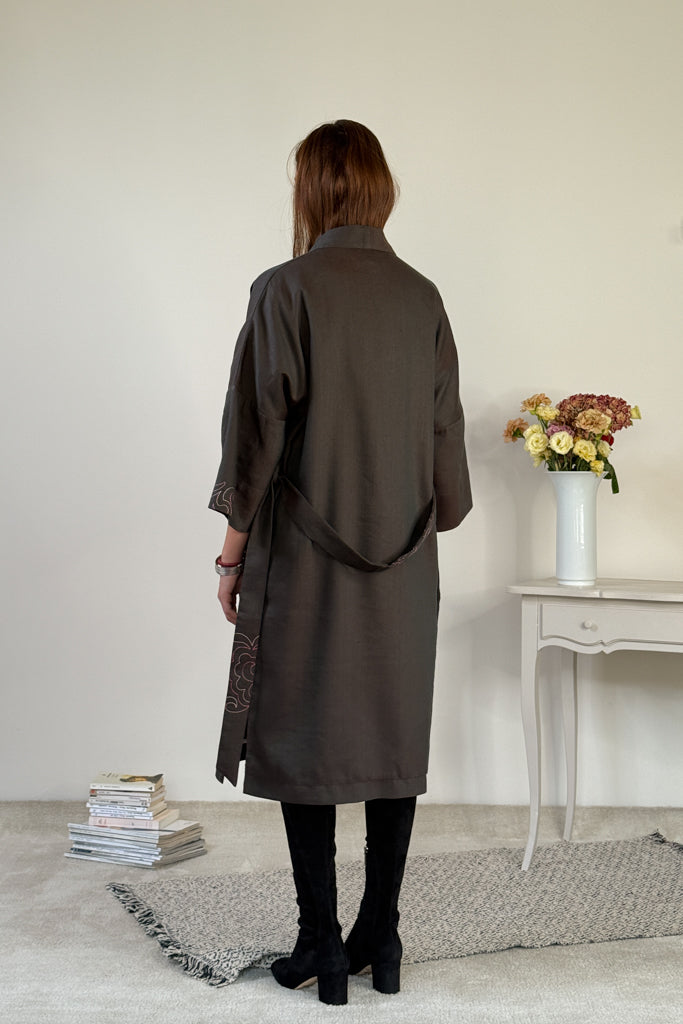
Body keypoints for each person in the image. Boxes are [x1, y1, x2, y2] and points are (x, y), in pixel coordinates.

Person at [209, 119, 472, 1005]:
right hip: (404, 562)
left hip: (306, 558)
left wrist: (231, 556)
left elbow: (254, 435)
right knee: (390, 736)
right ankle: (379, 937)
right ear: (377, 188)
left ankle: (320, 943)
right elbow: (444, 441)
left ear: (312, 190)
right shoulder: (422, 295)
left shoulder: (284, 288)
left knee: (304, 729)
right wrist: (424, 514)